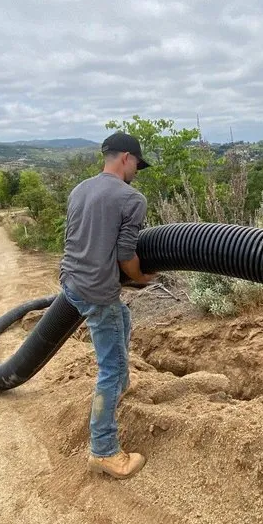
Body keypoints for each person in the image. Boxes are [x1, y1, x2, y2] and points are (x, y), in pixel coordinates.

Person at [59, 131, 156, 479]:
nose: (136, 174)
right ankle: (104, 451)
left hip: (71, 281)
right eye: (137, 166)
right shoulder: (131, 198)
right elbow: (126, 256)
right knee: (110, 367)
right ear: (126, 158)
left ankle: (120, 386)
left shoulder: (80, 189)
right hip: (97, 292)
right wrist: (142, 278)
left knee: (122, 317)